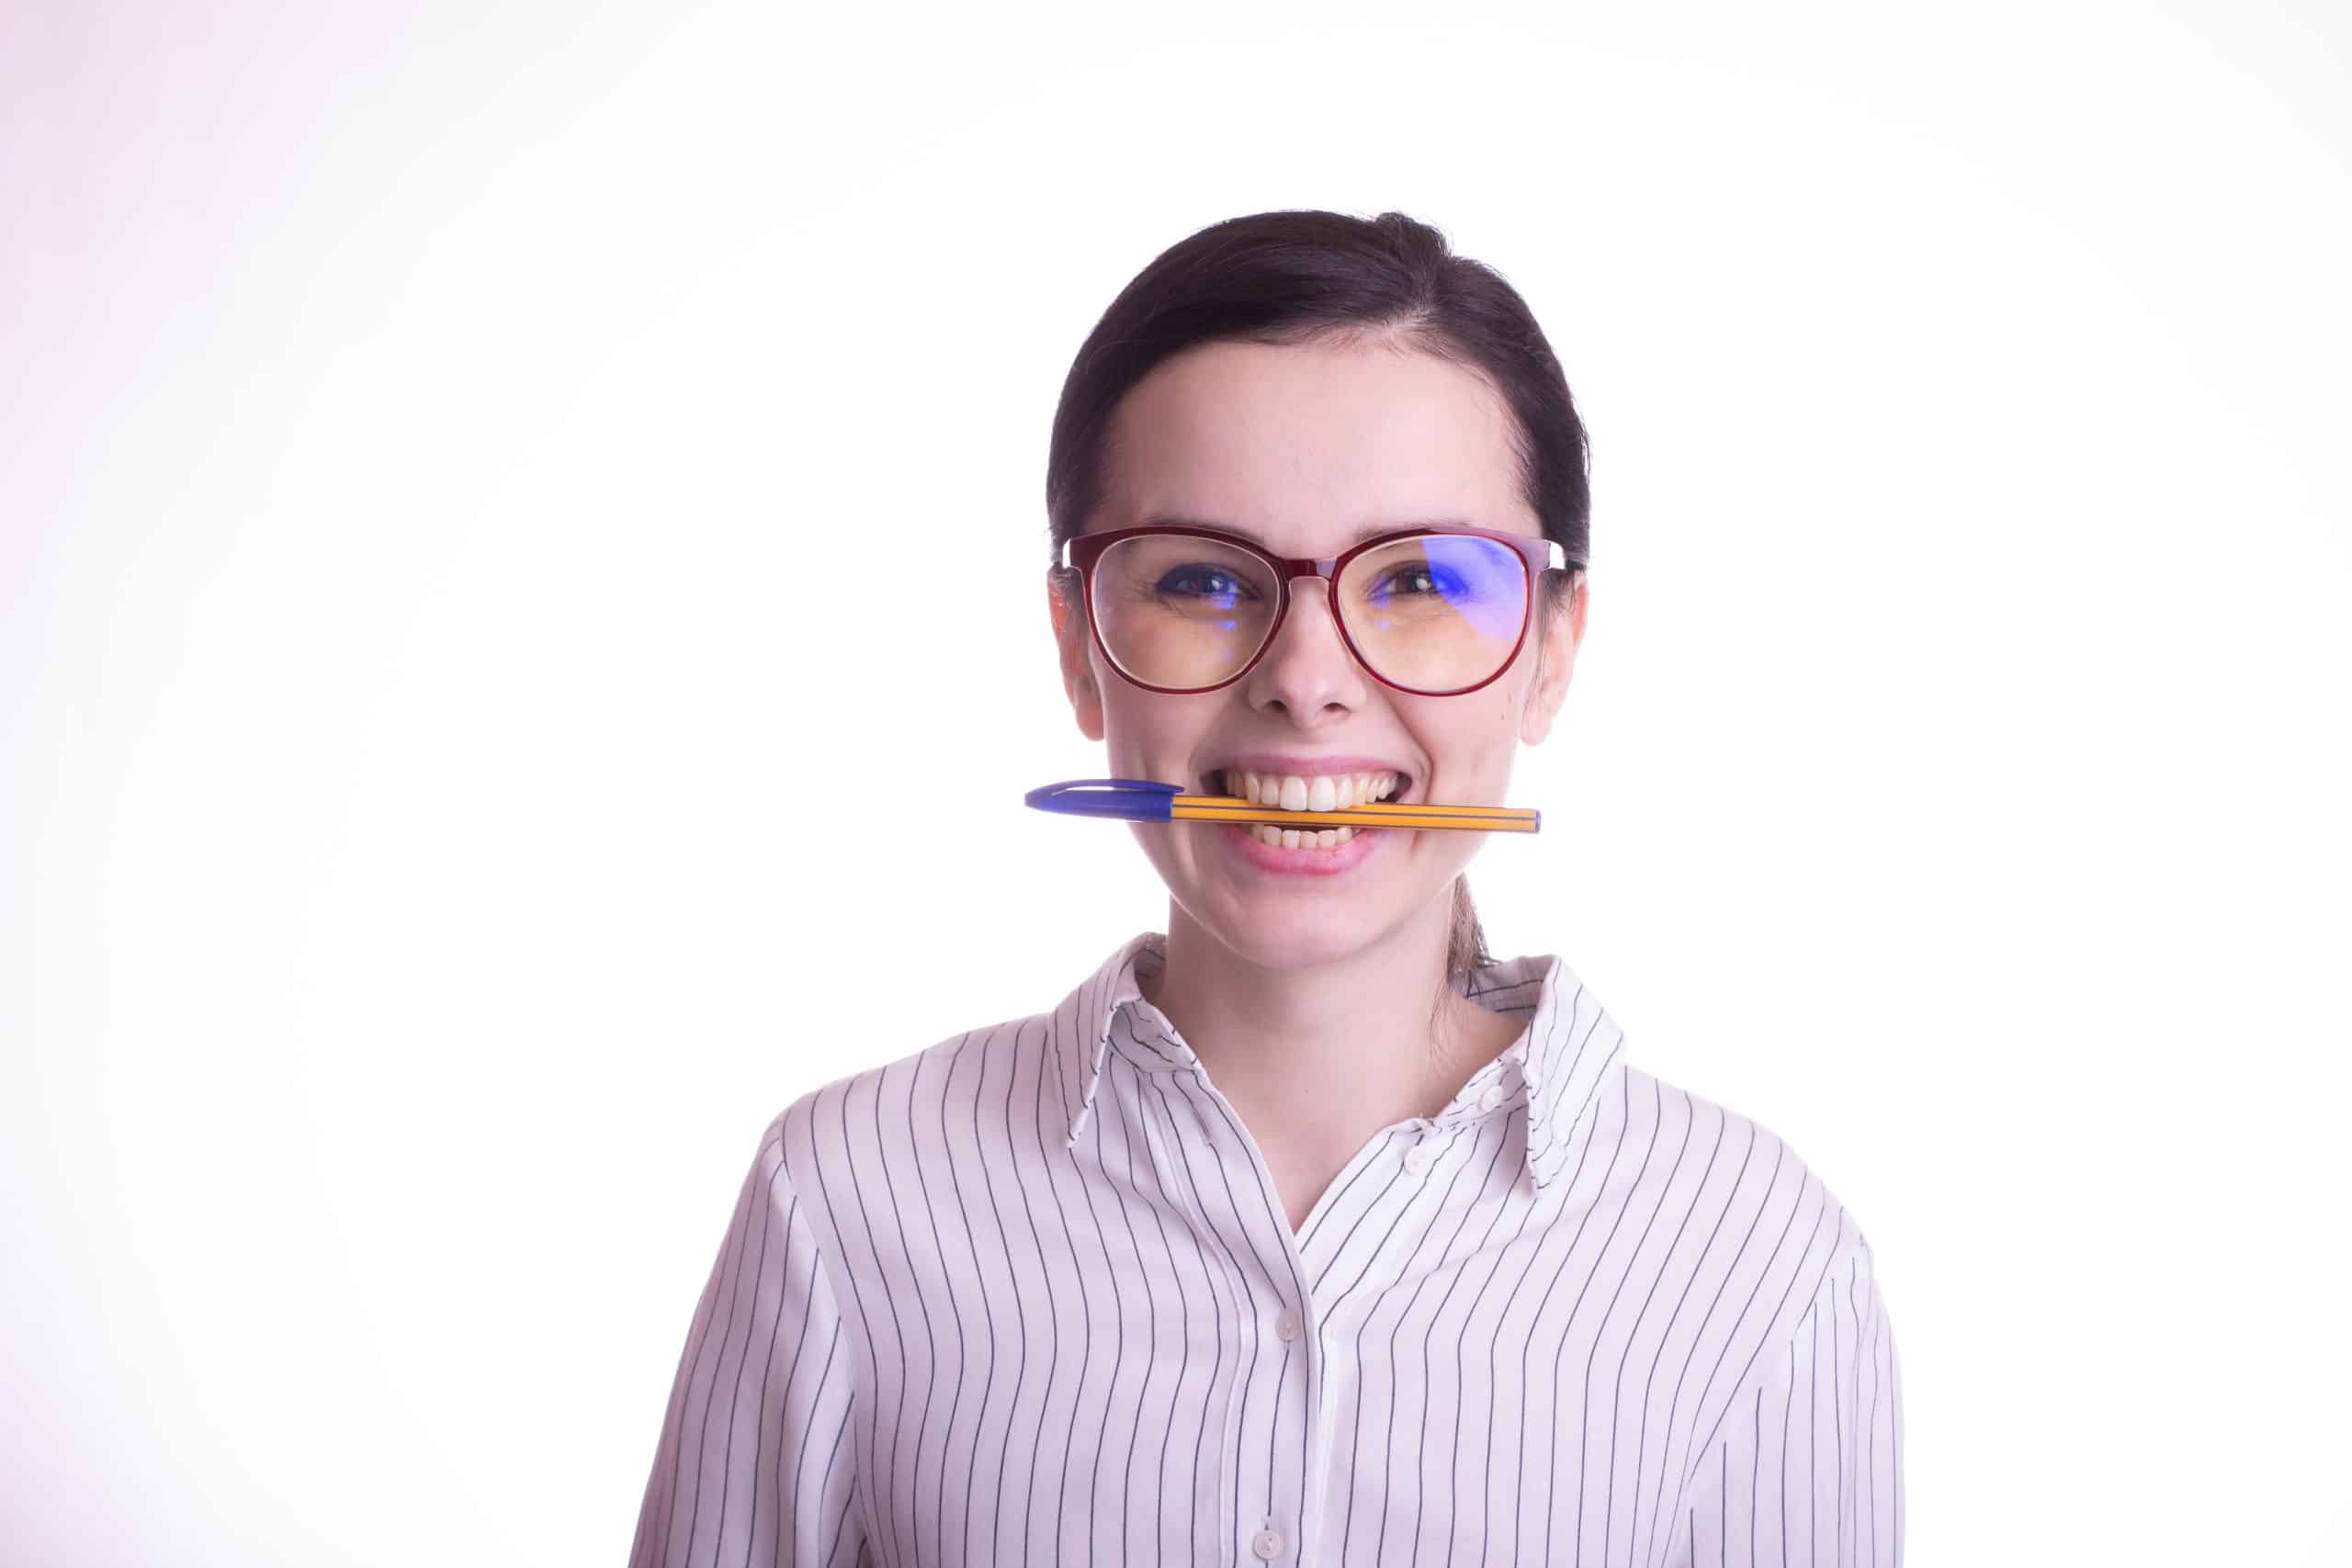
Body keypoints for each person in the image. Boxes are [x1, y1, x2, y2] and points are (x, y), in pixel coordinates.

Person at [628, 209, 1903, 1567]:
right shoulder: (844, 1202)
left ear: (1552, 649)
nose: (1306, 676)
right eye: (1200, 579)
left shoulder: (1765, 1263)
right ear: (1078, 647)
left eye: (1418, 579)